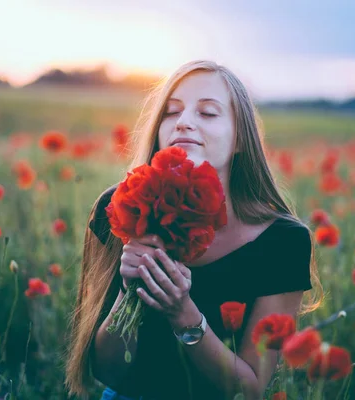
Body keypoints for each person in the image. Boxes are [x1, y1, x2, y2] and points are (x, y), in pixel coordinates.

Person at [65, 60, 323, 400]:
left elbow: (249, 390)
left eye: (208, 113)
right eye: (171, 112)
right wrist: (127, 294)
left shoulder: (282, 242)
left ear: (240, 139)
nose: (184, 122)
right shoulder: (120, 207)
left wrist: (183, 313)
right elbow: (106, 372)